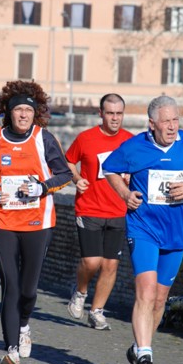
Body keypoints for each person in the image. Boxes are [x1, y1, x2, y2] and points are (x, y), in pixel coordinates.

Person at [102, 95, 183, 364]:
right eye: (166, 121)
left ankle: (140, 346)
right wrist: (126, 195)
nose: (172, 126)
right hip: (143, 228)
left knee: (160, 298)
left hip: (176, 232)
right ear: (151, 124)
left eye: (176, 120)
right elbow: (110, 169)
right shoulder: (135, 146)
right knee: (146, 290)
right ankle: (145, 358)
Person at [0, 80, 73, 364]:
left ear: (34, 114)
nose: (23, 116)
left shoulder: (44, 139)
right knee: (11, 285)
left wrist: (42, 188)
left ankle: (25, 325)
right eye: (18, 110)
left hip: (37, 222)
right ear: (9, 113)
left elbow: (65, 174)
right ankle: (11, 351)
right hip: (2, 221)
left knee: (29, 289)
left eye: (27, 111)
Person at [65, 93, 134, 330]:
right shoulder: (86, 138)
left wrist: (131, 178)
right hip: (89, 207)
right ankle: (81, 291)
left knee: (110, 265)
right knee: (92, 262)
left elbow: (140, 170)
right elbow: (68, 161)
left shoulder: (131, 141)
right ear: (101, 114)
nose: (115, 118)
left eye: (119, 113)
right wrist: (76, 178)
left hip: (118, 210)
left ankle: (97, 311)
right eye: (110, 113)